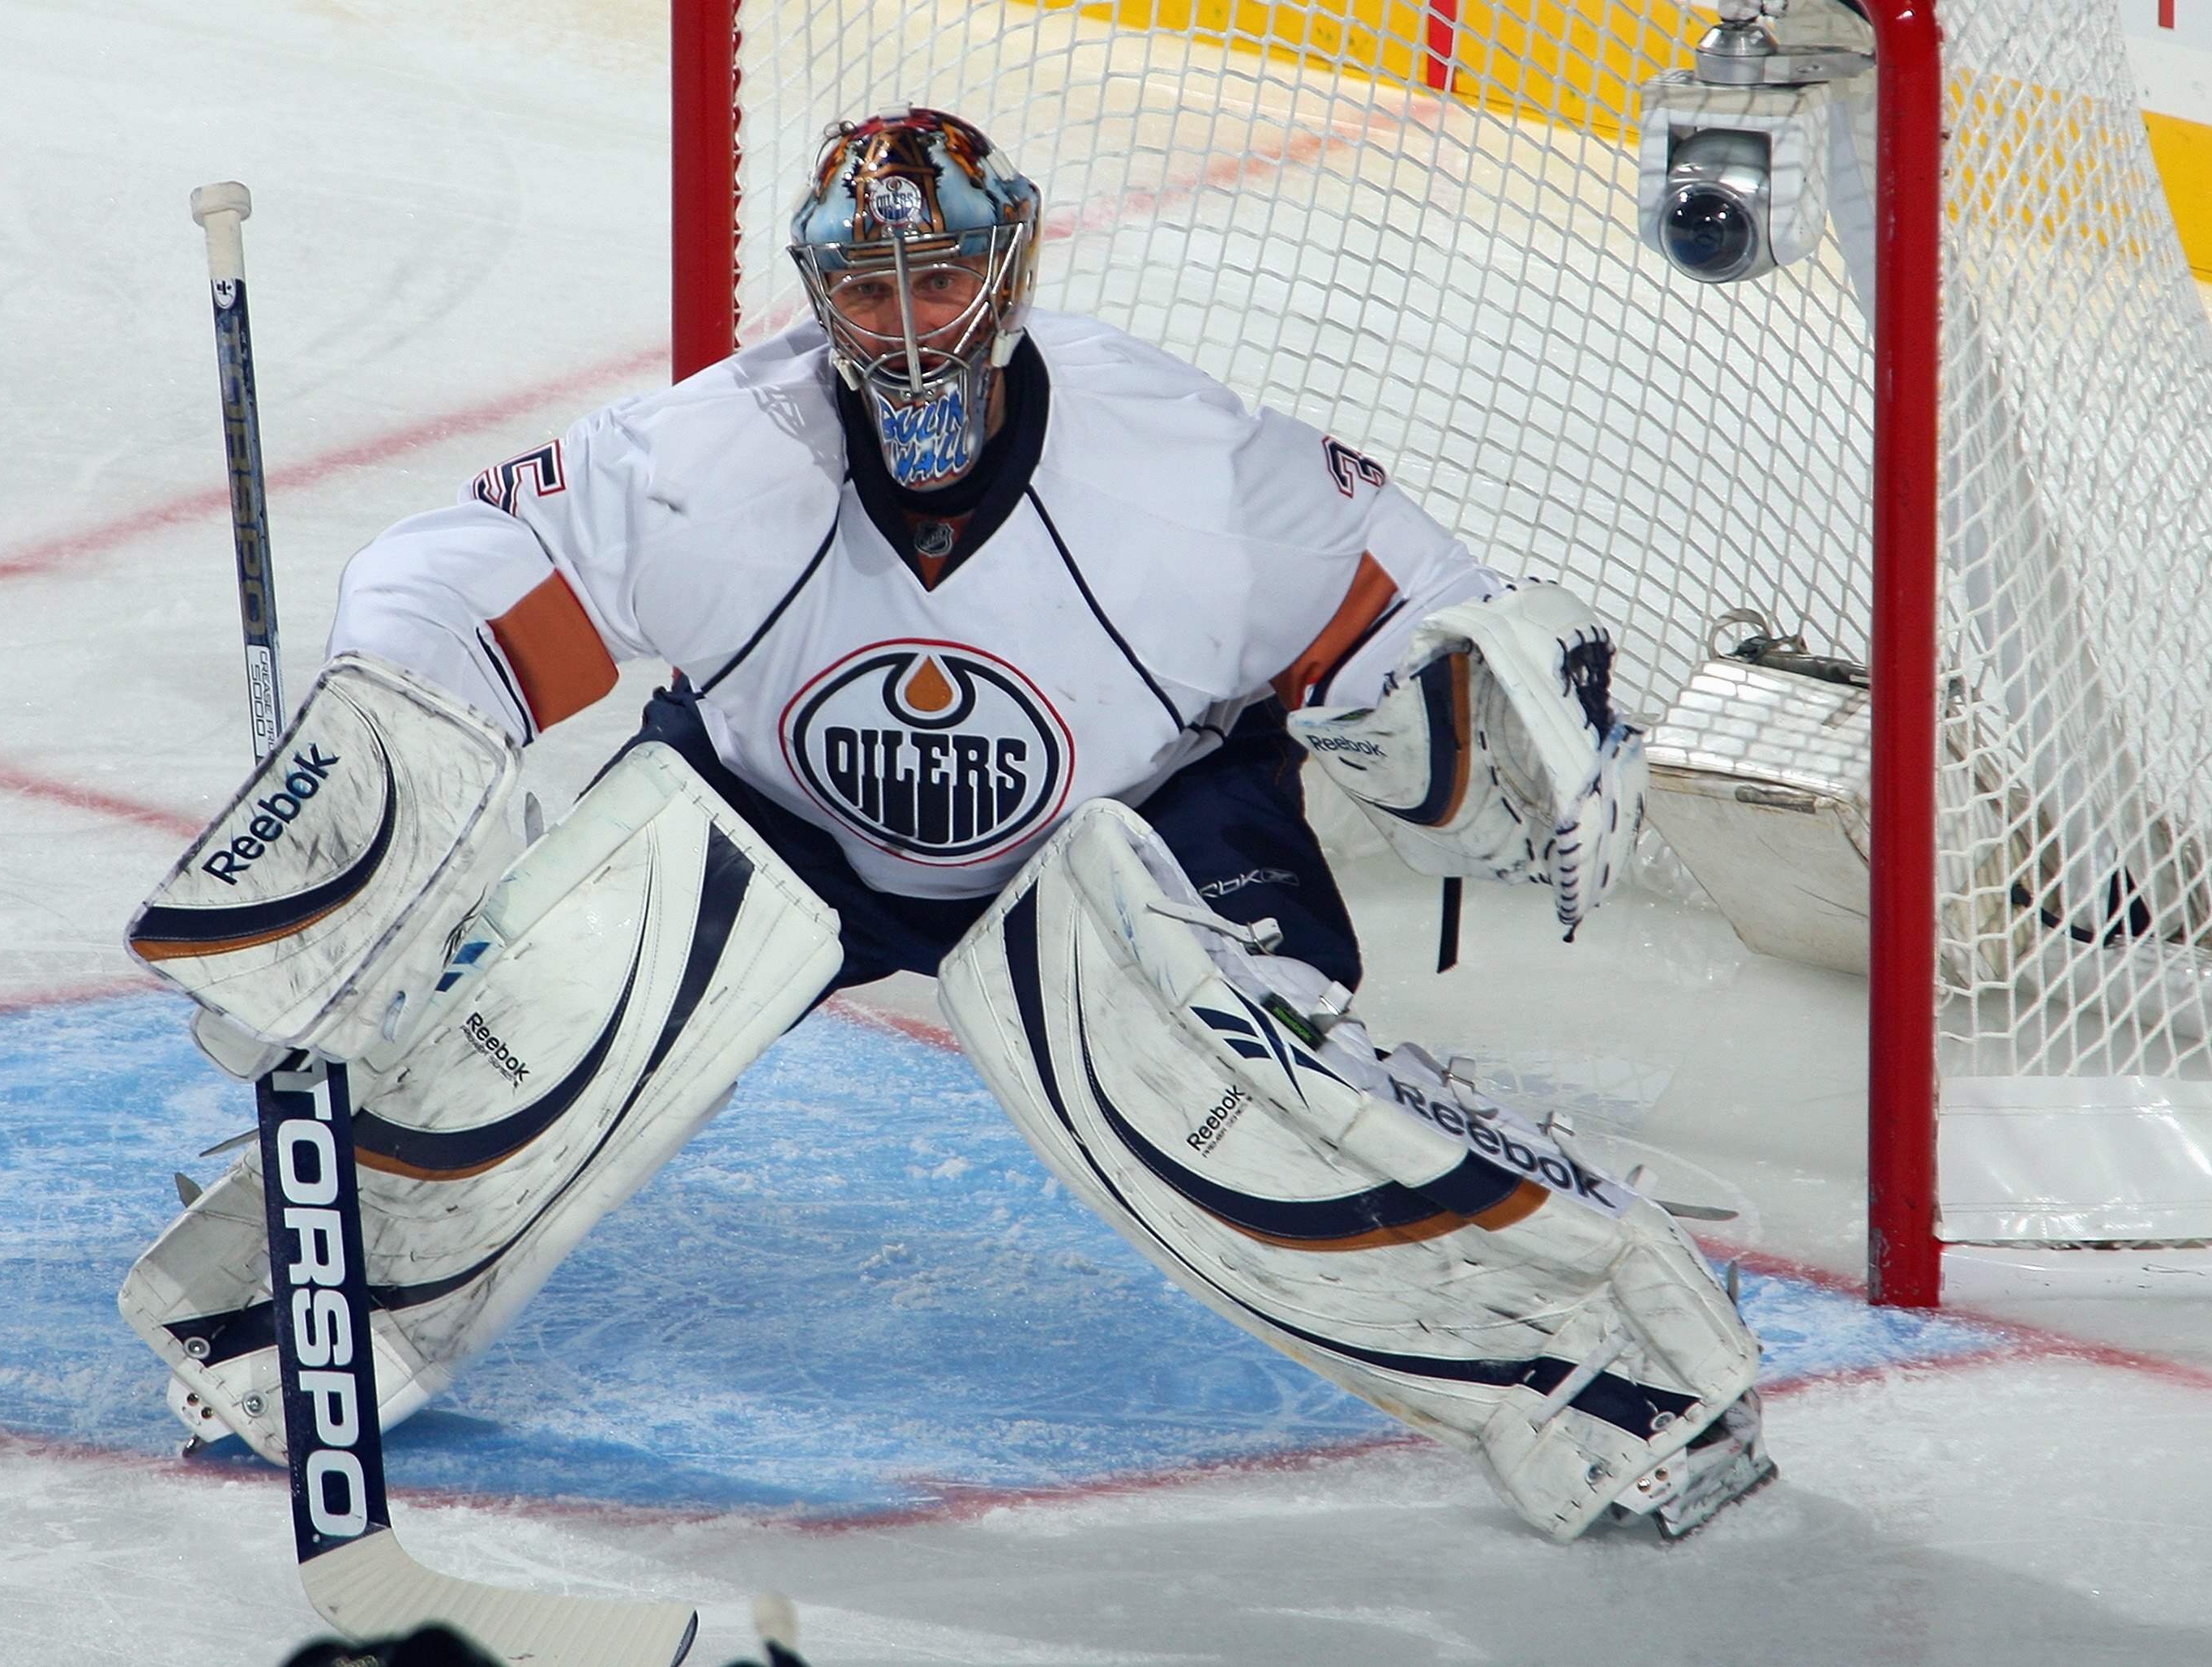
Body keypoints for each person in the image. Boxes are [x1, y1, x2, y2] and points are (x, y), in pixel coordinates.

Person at [122, 109, 1769, 1543]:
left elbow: (1412, 605)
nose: (905, 328)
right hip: (786, 819)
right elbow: (455, 576)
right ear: (814, 292)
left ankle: (1610, 1364)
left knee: (1214, 1089)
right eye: (864, 288)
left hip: (1133, 821)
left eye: (938, 278)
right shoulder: (711, 458)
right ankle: (308, 1311)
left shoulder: (1187, 467)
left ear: (1009, 265)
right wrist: (369, 780)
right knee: (557, 995)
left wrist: (1480, 710)